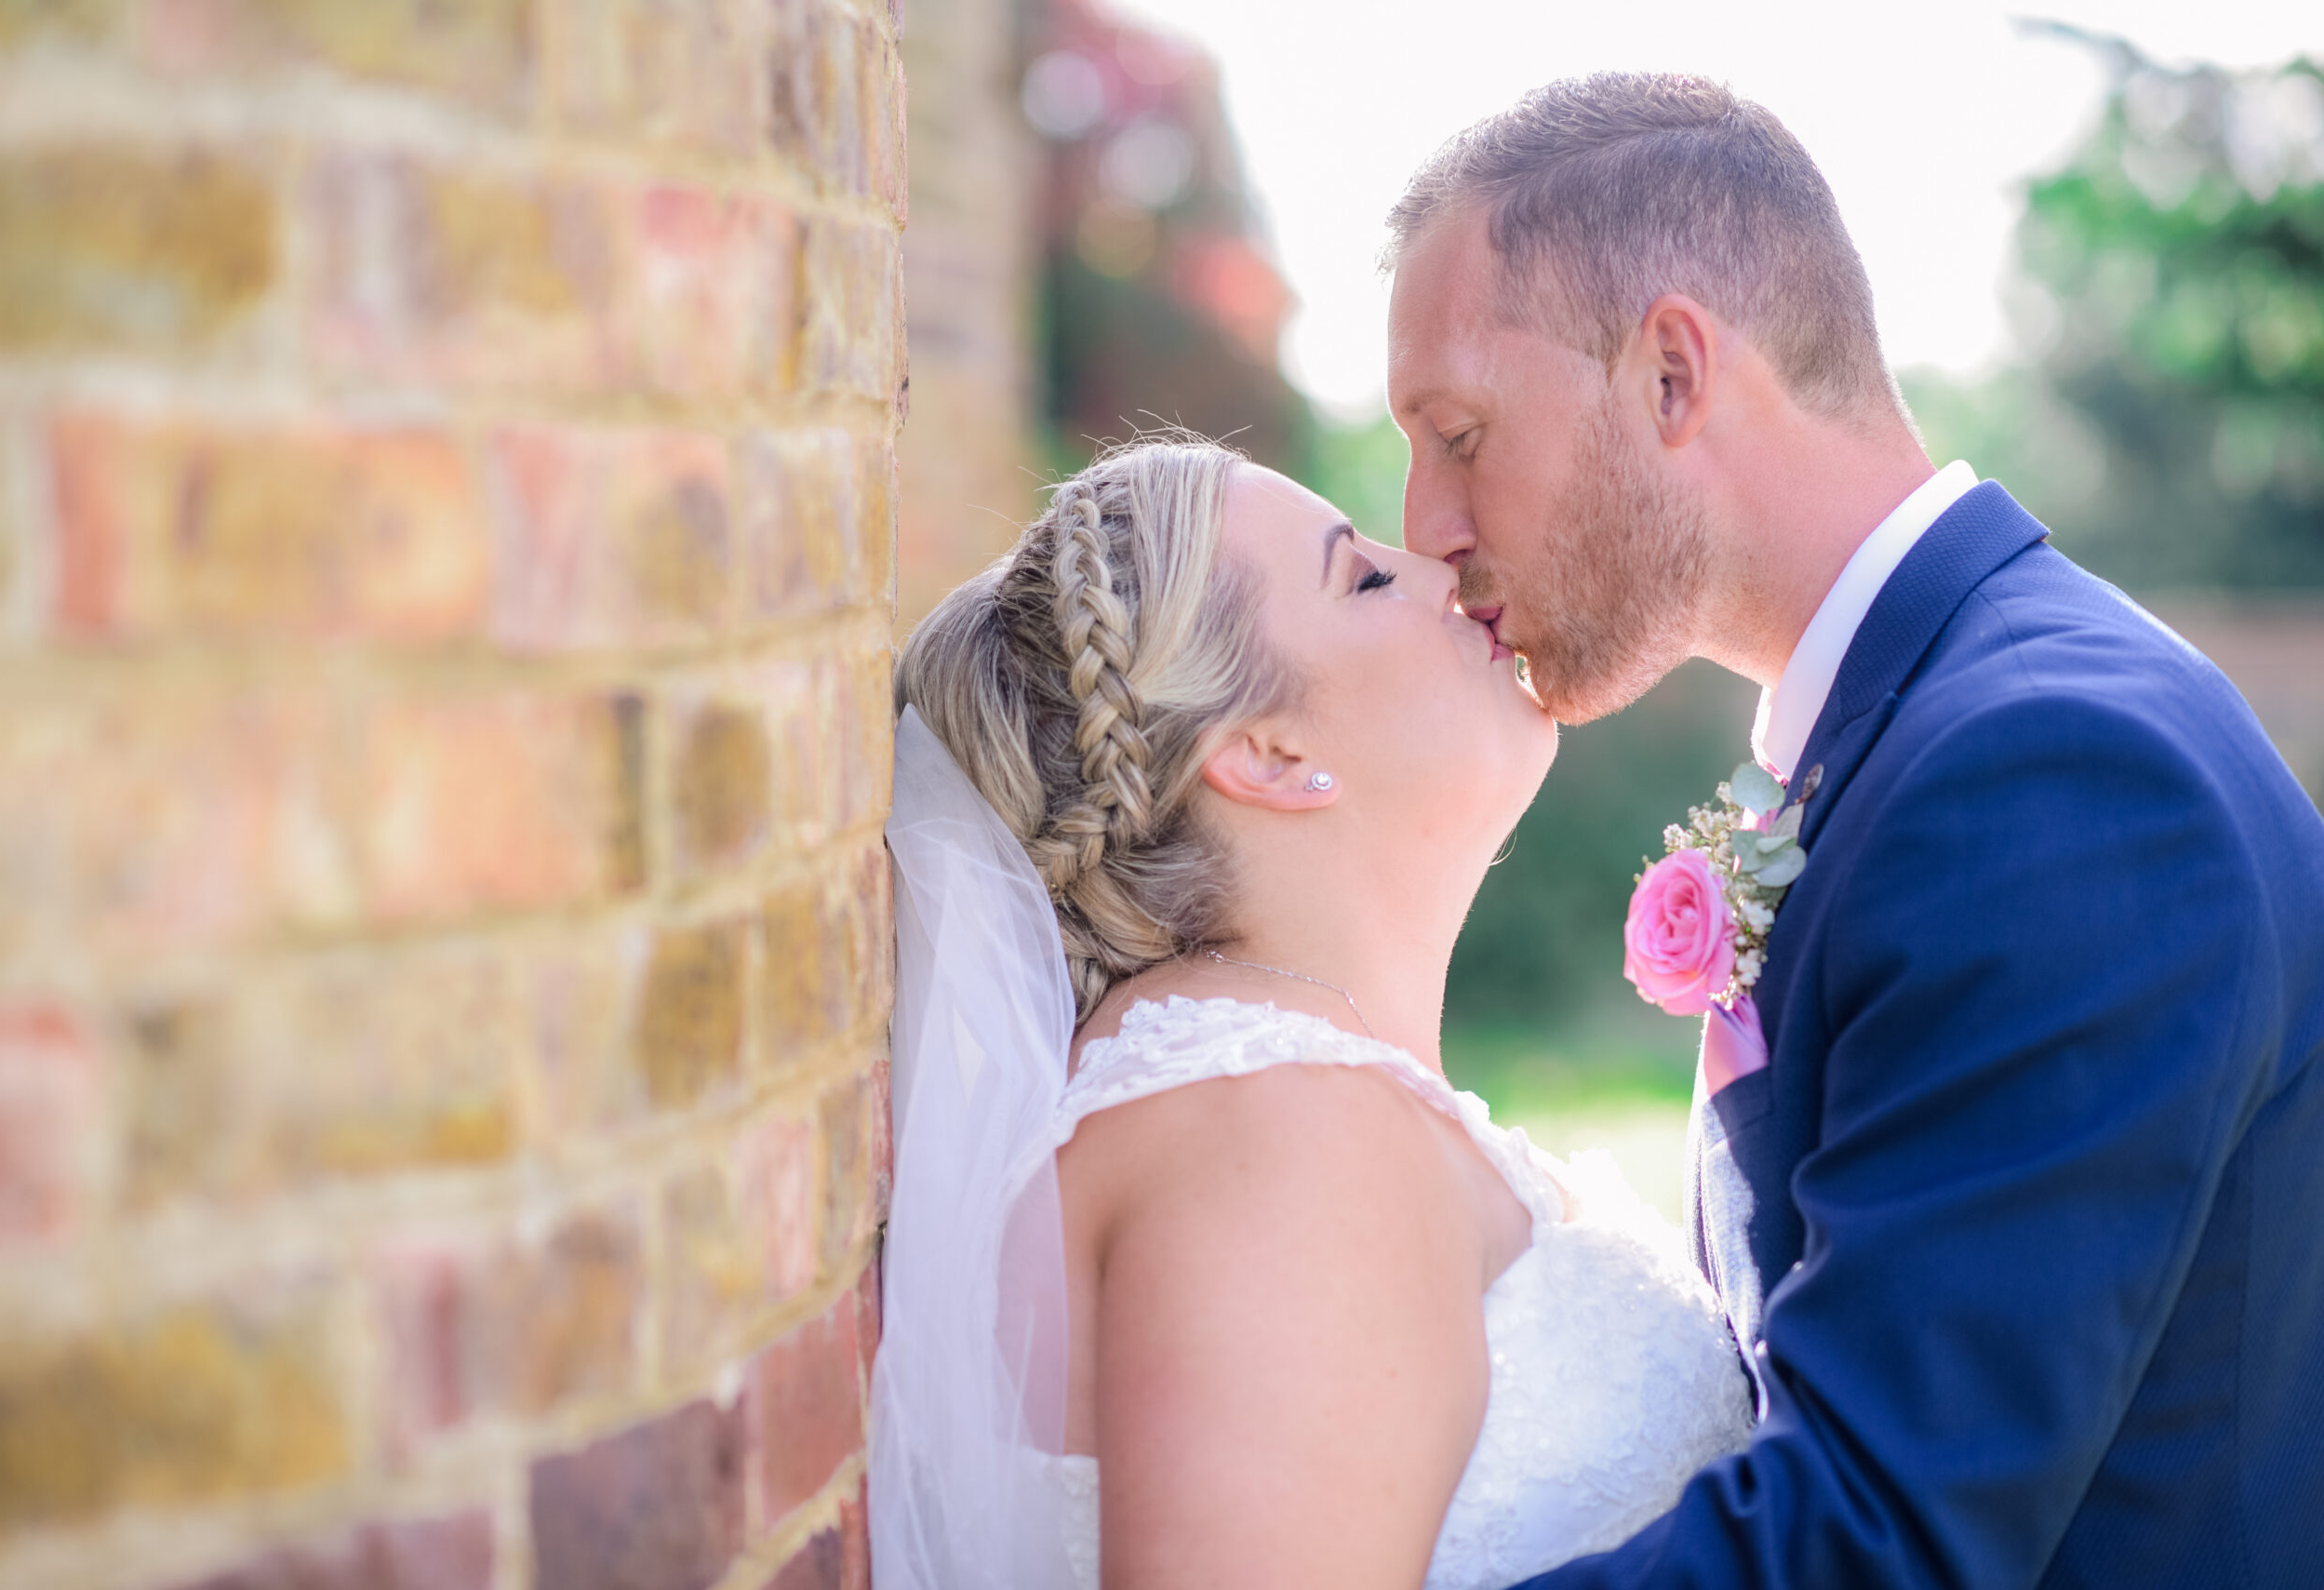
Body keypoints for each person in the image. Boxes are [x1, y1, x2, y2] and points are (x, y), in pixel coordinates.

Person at [1379, 73, 2324, 1589]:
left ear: (1672, 374)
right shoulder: (1914, 733)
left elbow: (1880, 1536)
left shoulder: (2055, 779)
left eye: (1461, 430)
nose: (1426, 520)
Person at [870, 436, 1753, 1590]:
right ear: (1269, 754)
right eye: (1366, 577)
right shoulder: (1276, 1132)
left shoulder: (1283, 1093)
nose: (1444, 571)